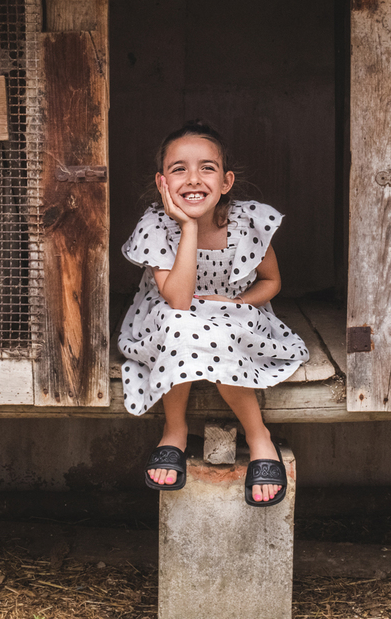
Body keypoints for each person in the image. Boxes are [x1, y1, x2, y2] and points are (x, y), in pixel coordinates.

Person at [118, 120, 308, 506]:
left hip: (232, 315)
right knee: (180, 324)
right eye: (179, 169)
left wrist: (237, 305)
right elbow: (179, 301)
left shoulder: (246, 222)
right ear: (162, 183)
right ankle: (174, 429)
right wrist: (187, 227)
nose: (193, 178)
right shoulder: (156, 225)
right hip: (168, 314)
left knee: (214, 332)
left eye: (207, 167)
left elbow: (271, 282)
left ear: (226, 182)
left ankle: (259, 437)